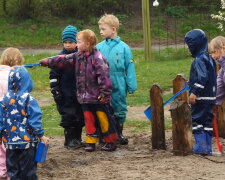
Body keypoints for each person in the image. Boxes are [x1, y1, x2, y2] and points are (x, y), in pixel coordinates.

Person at [40, 29, 118, 152]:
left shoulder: (98, 58)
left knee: (104, 120)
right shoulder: (78, 56)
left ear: (87, 44)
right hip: (85, 98)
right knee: (89, 120)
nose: (76, 44)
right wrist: (47, 62)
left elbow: (104, 78)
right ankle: (91, 142)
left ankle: (110, 141)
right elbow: (63, 59)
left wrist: (104, 93)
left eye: (79, 42)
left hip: (98, 98)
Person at [0, 50, 49, 179]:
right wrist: (41, 135)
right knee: (28, 172)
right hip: (27, 143)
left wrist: (0, 134)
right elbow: (34, 119)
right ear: (27, 81)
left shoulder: (4, 99)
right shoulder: (28, 99)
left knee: (13, 171)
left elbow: (1, 119)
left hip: (9, 143)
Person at [96, 14, 137, 145]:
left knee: (119, 106)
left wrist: (131, 84)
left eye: (103, 29)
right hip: (102, 82)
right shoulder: (99, 47)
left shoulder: (124, 47)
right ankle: (105, 134)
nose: (100, 32)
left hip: (118, 80)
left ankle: (118, 133)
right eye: (100, 29)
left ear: (113, 29)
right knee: (103, 107)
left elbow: (129, 66)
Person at [49, 25, 84, 148]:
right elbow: (53, 74)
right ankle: (69, 139)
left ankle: (78, 138)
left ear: (77, 42)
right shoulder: (59, 58)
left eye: (71, 42)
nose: (68, 45)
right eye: (65, 42)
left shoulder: (81, 56)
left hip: (80, 92)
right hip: (65, 93)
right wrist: (55, 89)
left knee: (80, 115)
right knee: (69, 115)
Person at [184, 29, 217, 155]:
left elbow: (202, 77)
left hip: (201, 97)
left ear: (194, 45)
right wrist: (191, 82)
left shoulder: (198, 60)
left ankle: (201, 146)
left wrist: (194, 92)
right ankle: (208, 147)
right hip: (210, 97)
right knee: (207, 122)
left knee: (197, 120)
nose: (188, 48)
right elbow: (209, 77)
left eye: (189, 45)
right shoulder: (210, 59)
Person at [0, 47, 25, 179]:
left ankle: (1, 170)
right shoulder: (15, 75)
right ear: (17, 60)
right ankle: (12, 171)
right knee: (11, 143)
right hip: (11, 113)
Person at [209, 36, 225, 105]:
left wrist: (222, 59)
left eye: (214, 52)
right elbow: (218, 88)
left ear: (223, 49)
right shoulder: (222, 70)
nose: (212, 56)